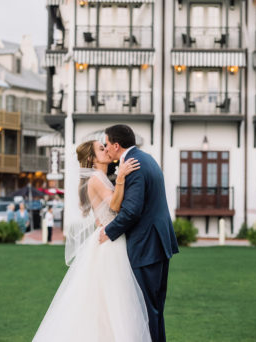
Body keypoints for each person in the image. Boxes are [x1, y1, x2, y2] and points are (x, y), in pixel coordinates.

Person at [32, 139, 151, 342]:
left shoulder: (100, 177)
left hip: (110, 236)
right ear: (91, 158)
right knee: (114, 296)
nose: (106, 150)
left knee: (106, 299)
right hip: (110, 242)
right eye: (101, 148)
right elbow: (114, 206)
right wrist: (121, 177)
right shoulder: (96, 177)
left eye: (105, 147)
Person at [100, 124, 179, 342]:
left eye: (106, 145)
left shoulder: (133, 165)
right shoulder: (145, 158)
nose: (106, 149)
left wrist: (109, 231)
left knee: (145, 309)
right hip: (157, 243)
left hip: (147, 246)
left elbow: (132, 211)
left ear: (116, 145)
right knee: (154, 309)